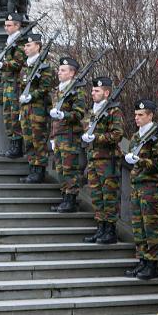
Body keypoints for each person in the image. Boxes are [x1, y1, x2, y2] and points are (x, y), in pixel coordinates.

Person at [124, 100, 158, 280]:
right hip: (137, 187)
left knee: (151, 228)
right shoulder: (136, 136)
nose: (137, 118)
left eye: (141, 115)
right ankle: (142, 260)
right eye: (135, 115)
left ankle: (152, 264)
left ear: (150, 116)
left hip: (151, 188)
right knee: (138, 227)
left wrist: (140, 160)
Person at [81, 77, 125, 244]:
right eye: (92, 90)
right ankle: (100, 229)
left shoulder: (114, 111)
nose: (93, 93)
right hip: (93, 160)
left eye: (97, 91)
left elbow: (117, 135)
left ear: (106, 93)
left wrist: (97, 137)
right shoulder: (93, 110)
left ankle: (110, 231)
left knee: (109, 198)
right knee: (97, 197)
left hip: (108, 161)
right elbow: (86, 127)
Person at [49, 57, 87, 213]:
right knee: (61, 169)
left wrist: (63, 115)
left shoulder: (76, 91)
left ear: (72, 73)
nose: (59, 72)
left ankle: (71, 199)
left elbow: (79, 113)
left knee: (70, 169)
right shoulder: (59, 90)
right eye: (59, 69)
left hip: (69, 136)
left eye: (63, 70)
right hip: (58, 135)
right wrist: (52, 137)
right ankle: (65, 197)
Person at [18, 33, 54, 183]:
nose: (25, 48)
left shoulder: (44, 67)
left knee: (38, 140)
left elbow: (45, 87)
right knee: (29, 141)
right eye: (25, 45)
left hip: (38, 111)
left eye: (28, 45)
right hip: (26, 110)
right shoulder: (26, 67)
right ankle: (32, 169)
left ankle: (39, 171)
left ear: (37, 46)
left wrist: (32, 95)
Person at [0, 13, 26, 158]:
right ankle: (12, 143)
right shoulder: (10, 41)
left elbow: (18, 63)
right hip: (8, 83)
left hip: (15, 84)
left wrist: (2, 65)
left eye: (9, 25)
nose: (6, 28)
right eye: (5, 25)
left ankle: (17, 145)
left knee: (14, 114)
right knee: (8, 115)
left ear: (17, 26)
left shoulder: (20, 42)